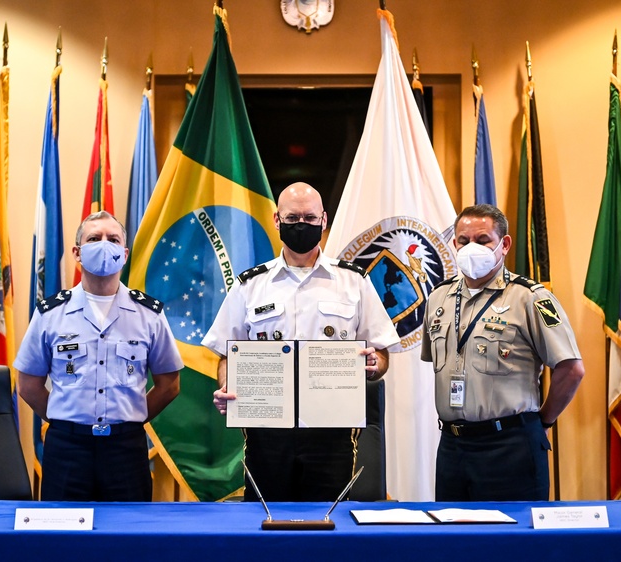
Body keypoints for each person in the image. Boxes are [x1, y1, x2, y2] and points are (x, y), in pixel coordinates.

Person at [202, 182, 400, 502]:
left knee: (328, 526)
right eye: (293, 218)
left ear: (323, 220)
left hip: (331, 431)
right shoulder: (250, 285)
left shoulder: (353, 281)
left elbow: (380, 351)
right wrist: (228, 385)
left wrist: (375, 364)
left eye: (309, 218)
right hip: (267, 431)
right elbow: (227, 352)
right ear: (277, 220)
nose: (301, 225)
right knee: (265, 525)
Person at [15, 211, 182, 502]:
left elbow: (169, 384)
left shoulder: (148, 314)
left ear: (125, 253)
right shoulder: (50, 313)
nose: (104, 245)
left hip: (125, 450)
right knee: (62, 540)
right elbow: (27, 384)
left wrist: (131, 417)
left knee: (128, 538)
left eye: (113, 239)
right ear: (77, 253)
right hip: (67, 449)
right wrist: (66, 417)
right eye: (94, 239)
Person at [421, 204, 584, 501]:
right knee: (452, 542)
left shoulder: (530, 298)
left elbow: (571, 369)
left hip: (509, 447)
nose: (472, 248)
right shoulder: (437, 298)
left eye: (483, 241)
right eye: (463, 241)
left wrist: (542, 422)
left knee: (512, 543)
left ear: (504, 244)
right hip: (452, 448)